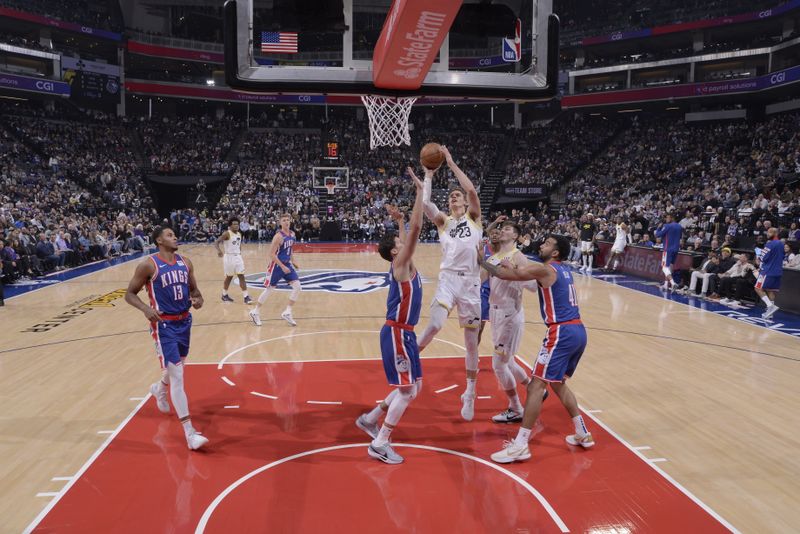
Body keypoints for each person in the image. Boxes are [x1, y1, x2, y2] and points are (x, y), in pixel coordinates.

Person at [479, 234, 592, 464]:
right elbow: (518, 274)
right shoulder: (565, 270)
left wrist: (481, 259)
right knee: (558, 383)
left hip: (560, 332)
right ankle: (582, 432)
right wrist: (515, 268)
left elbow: (501, 274)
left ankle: (520, 445)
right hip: (578, 331)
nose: (542, 245)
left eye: (548, 244)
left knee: (535, 386)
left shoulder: (545, 269)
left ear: (556, 252)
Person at [355, 168, 425, 465]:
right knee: (408, 391)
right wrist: (422, 192)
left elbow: (407, 237)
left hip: (404, 332)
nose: (404, 243)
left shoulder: (401, 260)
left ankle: (370, 419)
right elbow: (416, 233)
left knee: (413, 387)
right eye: (400, 243)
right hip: (397, 331)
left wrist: (399, 222)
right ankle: (380, 442)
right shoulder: (400, 265)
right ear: (396, 252)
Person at [124, 226, 208, 450]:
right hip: (164, 325)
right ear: (159, 240)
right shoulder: (148, 265)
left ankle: (159, 389)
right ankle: (190, 433)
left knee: (178, 366)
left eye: (174, 234)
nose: (175, 237)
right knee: (178, 375)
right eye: (170, 235)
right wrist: (144, 308)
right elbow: (129, 294)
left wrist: (198, 300)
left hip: (184, 322)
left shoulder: (186, 262)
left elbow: (195, 292)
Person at [417, 146, 484, 421]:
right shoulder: (443, 222)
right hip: (448, 280)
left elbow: (471, 191)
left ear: (465, 203)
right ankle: (410, 357)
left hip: (471, 284)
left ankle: (469, 393)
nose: (454, 197)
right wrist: (429, 176)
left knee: (471, 344)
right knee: (434, 324)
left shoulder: (474, 217)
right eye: (451, 196)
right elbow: (426, 205)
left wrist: (453, 162)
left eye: (457, 195)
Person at [480, 221, 547, 424]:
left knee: (499, 364)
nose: (503, 231)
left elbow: (533, 286)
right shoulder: (492, 257)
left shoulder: (518, 256)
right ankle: (533, 389)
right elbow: (478, 280)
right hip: (495, 314)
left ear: (516, 236)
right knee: (508, 361)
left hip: (510, 315)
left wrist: (515, 268)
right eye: (502, 229)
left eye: (508, 229)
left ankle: (515, 407)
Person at [249, 213, 301, 327]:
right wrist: (282, 266)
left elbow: (290, 249)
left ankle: (287, 312)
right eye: (284, 220)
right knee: (269, 289)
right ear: (280, 222)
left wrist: (293, 261)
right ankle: (255, 311)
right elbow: (271, 254)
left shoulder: (292, 234)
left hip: (287, 265)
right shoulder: (278, 236)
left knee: (297, 286)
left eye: (288, 220)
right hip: (277, 266)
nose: (286, 222)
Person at [478, 215, 507, 345]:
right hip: (484, 290)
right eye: (493, 233)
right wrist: (495, 222)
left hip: (500, 292)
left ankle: (502, 356)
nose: (495, 235)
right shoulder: (484, 248)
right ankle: (474, 354)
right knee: (479, 326)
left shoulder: (506, 249)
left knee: (501, 328)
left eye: (497, 233)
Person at [214, 217, 252, 304]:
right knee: (229, 277)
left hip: (238, 257)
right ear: (230, 226)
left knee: (241, 276)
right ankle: (224, 295)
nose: (236, 226)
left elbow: (239, 245)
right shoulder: (227, 233)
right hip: (229, 257)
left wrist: (239, 253)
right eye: (234, 224)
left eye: (237, 224)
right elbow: (216, 242)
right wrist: (219, 251)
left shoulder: (239, 234)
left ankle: (246, 297)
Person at [755, 227, 784, 319]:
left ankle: (770, 306)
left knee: (758, 288)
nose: (767, 234)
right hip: (778, 271)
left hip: (767, 271)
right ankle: (770, 314)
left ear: (775, 233)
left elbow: (764, 258)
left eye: (769, 232)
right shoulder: (781, 244)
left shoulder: (770, 244)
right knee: (770, 290)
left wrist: (758, 257)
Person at [654, 213, 683, 291]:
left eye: (667, 218)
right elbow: (679, 237)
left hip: (668, 249)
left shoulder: (667, 226)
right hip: (676, 249)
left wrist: (659, 228)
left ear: (671, 218)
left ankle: (673, 283)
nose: (666, 219)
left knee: (664, 268)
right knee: (670, 267)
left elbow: (657, 235)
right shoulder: (680, 226)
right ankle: (666, 285)